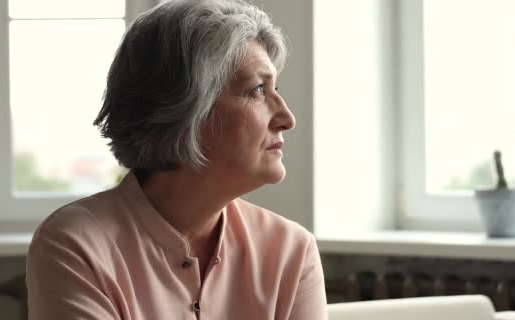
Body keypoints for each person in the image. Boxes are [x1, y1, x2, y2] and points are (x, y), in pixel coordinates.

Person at [25, 0, 328, 319]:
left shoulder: (291, 249)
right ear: (183, 107)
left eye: (274, 88)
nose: (287, 118)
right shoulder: (77, 244)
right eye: (256, 90)